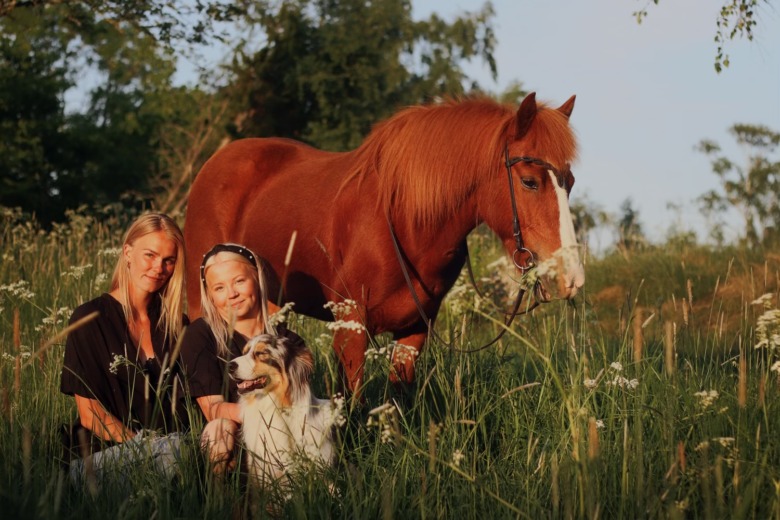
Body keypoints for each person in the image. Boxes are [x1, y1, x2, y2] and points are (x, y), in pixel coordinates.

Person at [60, 212, 189, 484]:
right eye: (150, 255)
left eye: (169, 260)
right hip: (107, 456)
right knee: (176, 455)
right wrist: (147, 449)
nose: (158, 268)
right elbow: (91, 415)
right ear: (128, 252)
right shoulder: (89, 318)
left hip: (175, 449)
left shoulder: (177, 324)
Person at [179, 243, 304, 473]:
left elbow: (298, 403)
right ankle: (218, 504)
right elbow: (213, 410)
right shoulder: (200, 335)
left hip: (282, 440)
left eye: (239, 281)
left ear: (256, 278)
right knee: (220, 428)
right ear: (210, 295)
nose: (232, 294)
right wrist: (265, 414)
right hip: (230, 444)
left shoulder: (288, 342)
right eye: (219, 288)